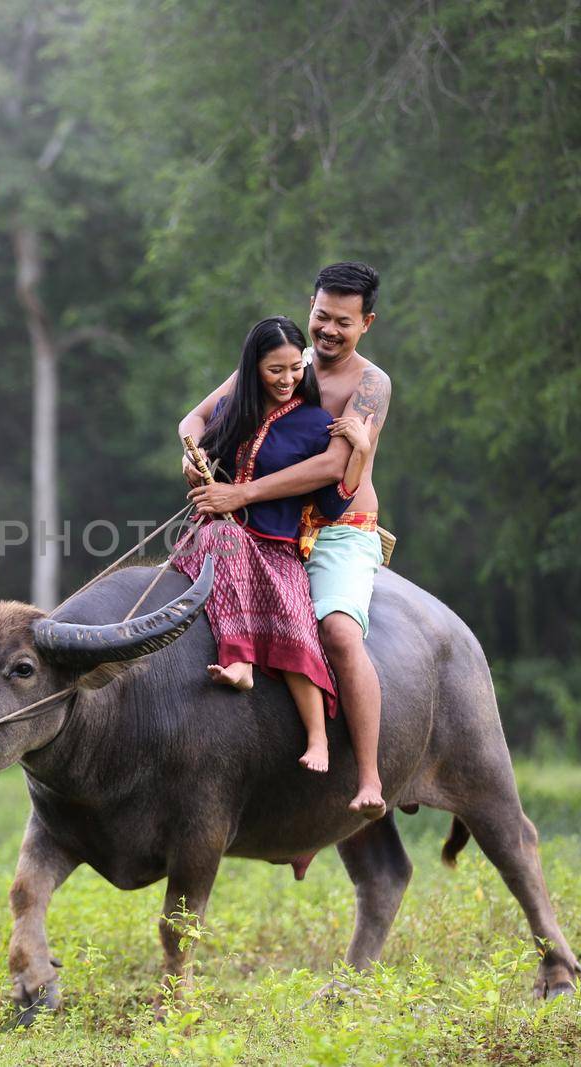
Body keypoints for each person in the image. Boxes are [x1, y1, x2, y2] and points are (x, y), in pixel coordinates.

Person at [180, 262, 390, 819]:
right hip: (264, 522)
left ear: (365, 323)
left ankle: (368, 776)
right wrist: (195, 458)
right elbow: (198, 417)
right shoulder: (278, 360)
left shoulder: (370, 384)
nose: (328, 330)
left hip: (336, 527)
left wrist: (237, 497)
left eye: (343, 322)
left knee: (338, 632)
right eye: (321, 315)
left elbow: (331, 468)